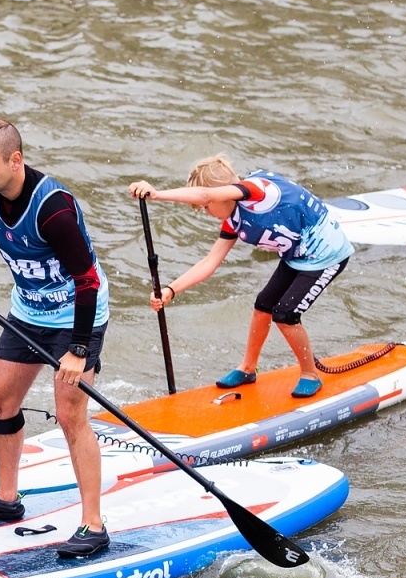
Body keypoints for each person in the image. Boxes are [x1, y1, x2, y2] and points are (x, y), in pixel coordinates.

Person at [0, 118, 112, 558]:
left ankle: (93, 524)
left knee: (70, 415)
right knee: (0, 402)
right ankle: (7, 500)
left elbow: (87, 280)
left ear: (15, 160)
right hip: (29, 311)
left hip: (78, 314)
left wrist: (78, 349)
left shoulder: (54, 209)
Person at [130, 155, 352, 399]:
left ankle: (310, 374)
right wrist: (171, 290)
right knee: (263, 305)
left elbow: (205, 195)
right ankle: (247, 369)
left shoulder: (258, 190)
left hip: (327, 255)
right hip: (297, 256)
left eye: (206, 207)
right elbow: (210, 262)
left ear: (221, 195)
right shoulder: (233, 220)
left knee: (286, 315)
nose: (205, 211)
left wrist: (157, 194)